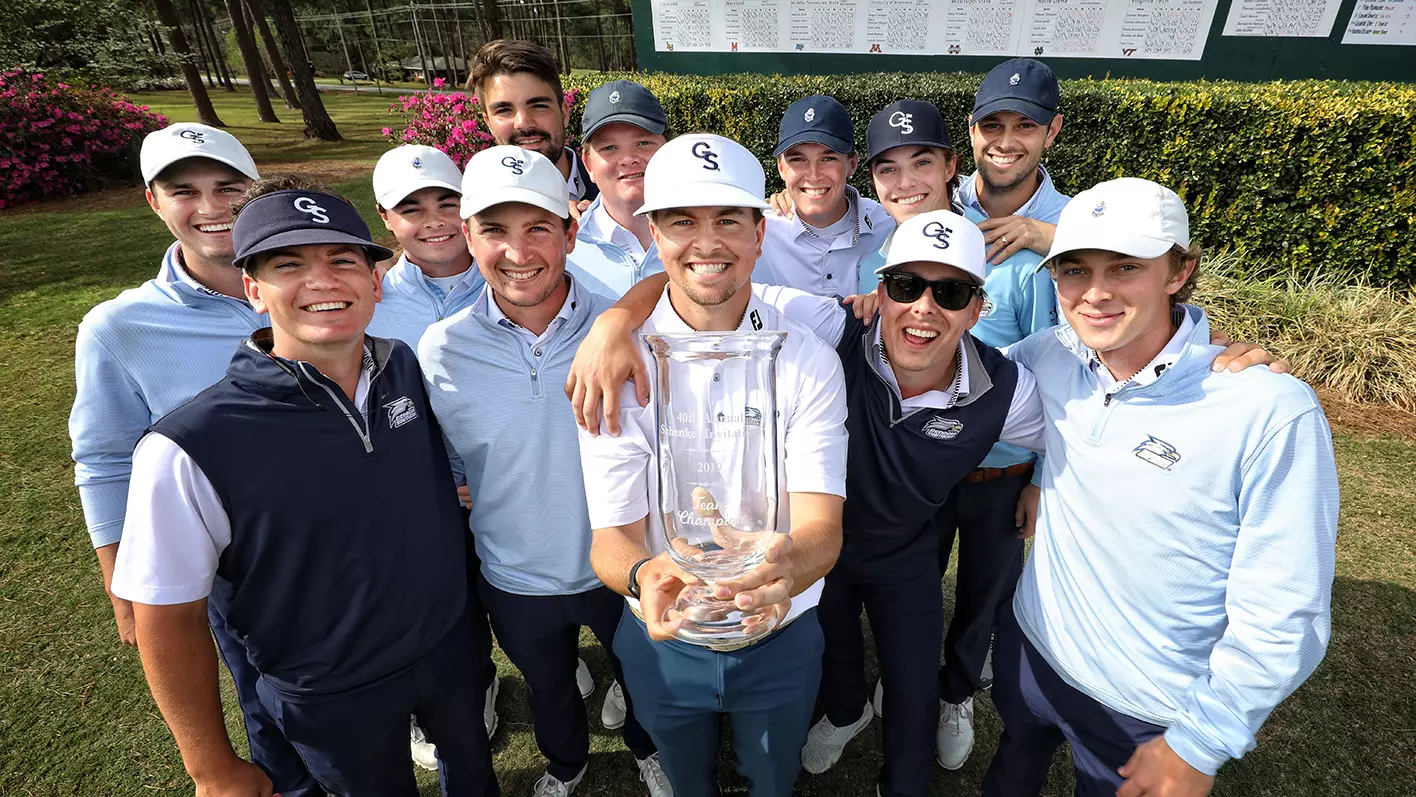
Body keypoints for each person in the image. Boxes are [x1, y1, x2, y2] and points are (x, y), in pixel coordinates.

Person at [110, 178, 499, 797]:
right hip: (330, 690)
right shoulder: (188, 446)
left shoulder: (402, 365)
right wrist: (211, 767)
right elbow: (168, 617)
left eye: (342, 260)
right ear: (253, 290)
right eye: (288, 265)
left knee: (475, 778)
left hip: (449, 648)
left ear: (375, 282)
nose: (322, 281)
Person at [983, 177, 1337, 797]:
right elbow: (952, 378)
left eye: (1125, 267)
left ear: (1179, 272)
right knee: (1012, 769)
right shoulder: (1048, 356)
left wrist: (1201, 741)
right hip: (1032, 647)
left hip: (1145, 707)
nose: (1095, 293)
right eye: (1074, 269)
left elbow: (1286, 612)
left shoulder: (1269, 409)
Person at [576, 133, 849, 797]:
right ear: (655, 234)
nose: (706, 242)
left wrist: (780, 572)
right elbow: (612, 540)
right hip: (663, 635)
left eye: (728, 220)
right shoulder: (616, 366)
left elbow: (822, 529)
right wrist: (644, 574)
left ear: (760, 233)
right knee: (684, 779)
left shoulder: (808, 356)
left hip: (780, 629)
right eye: (681, 222)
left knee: (773, 778)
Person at [68, 123, 319, 797]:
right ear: (154, 202)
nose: (210, 206)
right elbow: (105, 458)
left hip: (354, 543)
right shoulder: (119, 327)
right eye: (184, 191)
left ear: (256, 189)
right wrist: (122, 582)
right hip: (244, 568)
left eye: (228, 187)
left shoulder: (321, 281)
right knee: (273, 712)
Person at [418, 145, 670, 797]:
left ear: (570, 232)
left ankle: (649, 747)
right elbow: (449, 456)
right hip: (513, 574)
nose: (517, 250)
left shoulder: (628, 329)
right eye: (494, 229)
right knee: (548, 687)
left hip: (622, 564)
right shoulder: (441, 349)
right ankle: (566, 763)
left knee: (643, 677)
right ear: (469, 236)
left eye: (537, 227)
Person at [929, 57, 1074, 769]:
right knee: (914, 582)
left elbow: (1073, 370)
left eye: (1026, 125)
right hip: (926, 454)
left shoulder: (1077, 223)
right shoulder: (938, 199)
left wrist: (1052, 238)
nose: (1007, 140)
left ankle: (956, 690)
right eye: (993, 124)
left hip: (1005, 465)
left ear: (1053, 131)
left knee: (984, 594)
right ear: (972, 130)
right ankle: (911, 673)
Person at [362, 143, 504, 770]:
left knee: (522, 581)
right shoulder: (372, 298)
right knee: (448, 602)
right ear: (386, 219)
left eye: (448, 203)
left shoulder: (513, 271)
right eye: (412, 209)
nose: (434, 221)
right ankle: (477, 679)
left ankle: (552, 655)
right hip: (420, 489)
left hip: (508, 471)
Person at [758, 94, 893, 297]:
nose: (813, 175)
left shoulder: (888, 227)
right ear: (781, 168)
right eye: (798, 160)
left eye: (828, 159)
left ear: (852, 164)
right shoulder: (758, 231)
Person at [565, 79, 670, 297]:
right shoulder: (565, 251)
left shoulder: (709, 236)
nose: (628, 159)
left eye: (643, 143)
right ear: (588, 165)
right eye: (610, 147)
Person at [469, 39, 598, 206]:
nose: (523, 123)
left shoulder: (614, 197)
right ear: (488, 123)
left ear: (564, 113)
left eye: (539, 106)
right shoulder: (474, 206)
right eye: (504, 110)